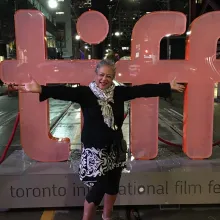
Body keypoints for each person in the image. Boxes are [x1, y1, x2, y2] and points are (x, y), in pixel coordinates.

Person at [15, 59, 185, 220]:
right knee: (97, 189)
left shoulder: (118, 93)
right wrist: (40, 89)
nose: (104, 79)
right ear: (96, 74)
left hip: (115, 148)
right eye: (101, 75)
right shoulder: (86, 93)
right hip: (95, 151)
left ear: (113, 78)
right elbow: (64, 92)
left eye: (109, 76)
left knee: (112, 186)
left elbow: (142, 90)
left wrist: (167, 87)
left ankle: (106, 216)